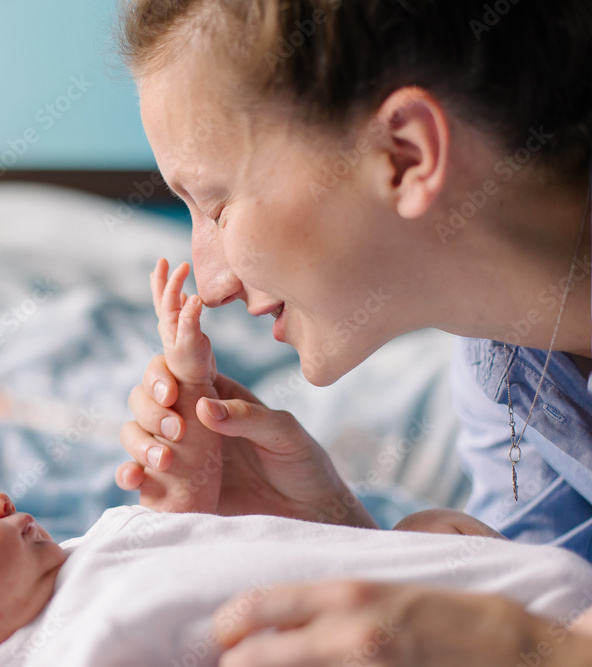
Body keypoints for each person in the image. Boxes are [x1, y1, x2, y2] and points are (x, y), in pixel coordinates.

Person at [0, 263, 558, 667]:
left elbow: (177, 527)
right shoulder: (64, 649)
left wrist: (190, 386)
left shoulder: (72, 568)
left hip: (518, 612)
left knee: (428, 530)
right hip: (479, 628)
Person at [113, 0, 592, 664]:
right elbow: (554, 597)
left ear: (405, 154)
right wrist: (333, 535)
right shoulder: (505, 357)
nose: (211, 284)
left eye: (218, 206)